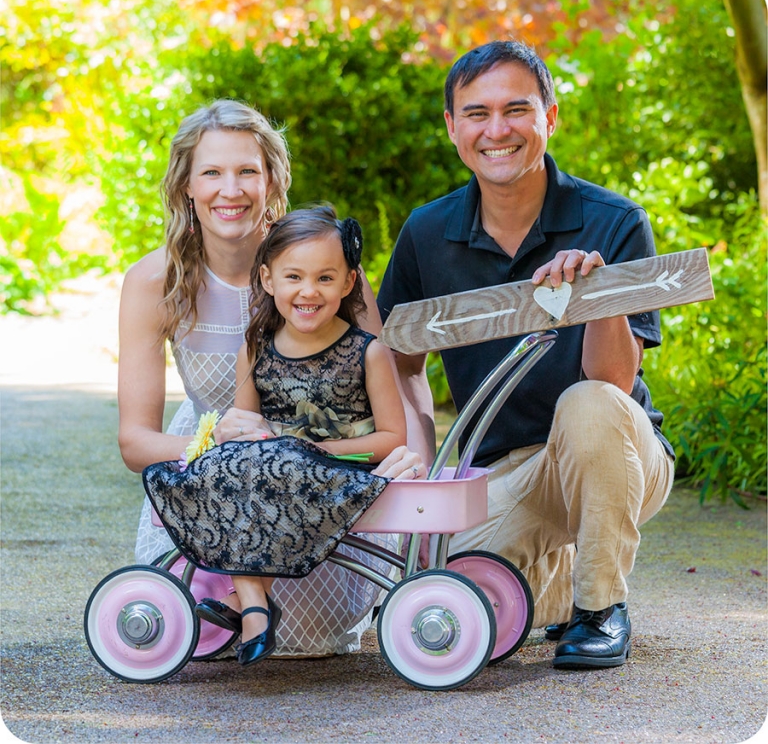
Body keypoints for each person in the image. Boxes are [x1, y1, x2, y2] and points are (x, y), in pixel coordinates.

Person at [377, 41, 675, 670]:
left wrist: (598, 298)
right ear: (453, 127)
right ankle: (557, 584)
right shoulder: (426, 232)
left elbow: (615, 382)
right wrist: (427, 470)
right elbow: (399, 361)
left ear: (550, 116)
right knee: (440, 604)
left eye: (517, 109)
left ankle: (599, 609)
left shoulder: (615, 221)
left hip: (618, 455)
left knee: (588, 403)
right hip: (507, 469)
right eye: (477, 114)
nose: (498, 130)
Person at [118, 99, 422, 658]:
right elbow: (135, 442)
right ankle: (232, 597)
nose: (228, 190)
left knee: (308, 637)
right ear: (186, 183)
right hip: (210, 455)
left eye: (246, 171)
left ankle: (254, 601)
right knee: (189, 625)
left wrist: (411, 491)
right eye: (211, 172)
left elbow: (385, 394)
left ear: (273, 179)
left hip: (321, 463)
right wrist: (215, 447)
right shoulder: (153, 282)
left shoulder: (319, 266)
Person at [192, 206, 407, 666]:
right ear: (269, 280)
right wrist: (236, 435)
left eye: (325, 279)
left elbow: (391, 438)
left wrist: (319, 449)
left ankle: (249, 606)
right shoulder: (256, 348)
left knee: (281, 465)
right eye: (294, 277)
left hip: (342, 475)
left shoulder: (367, 353)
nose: (308, 291)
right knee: (224, 465)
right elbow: (245, 427)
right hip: (275, 471)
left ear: (349, 283)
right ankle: (255, 604)